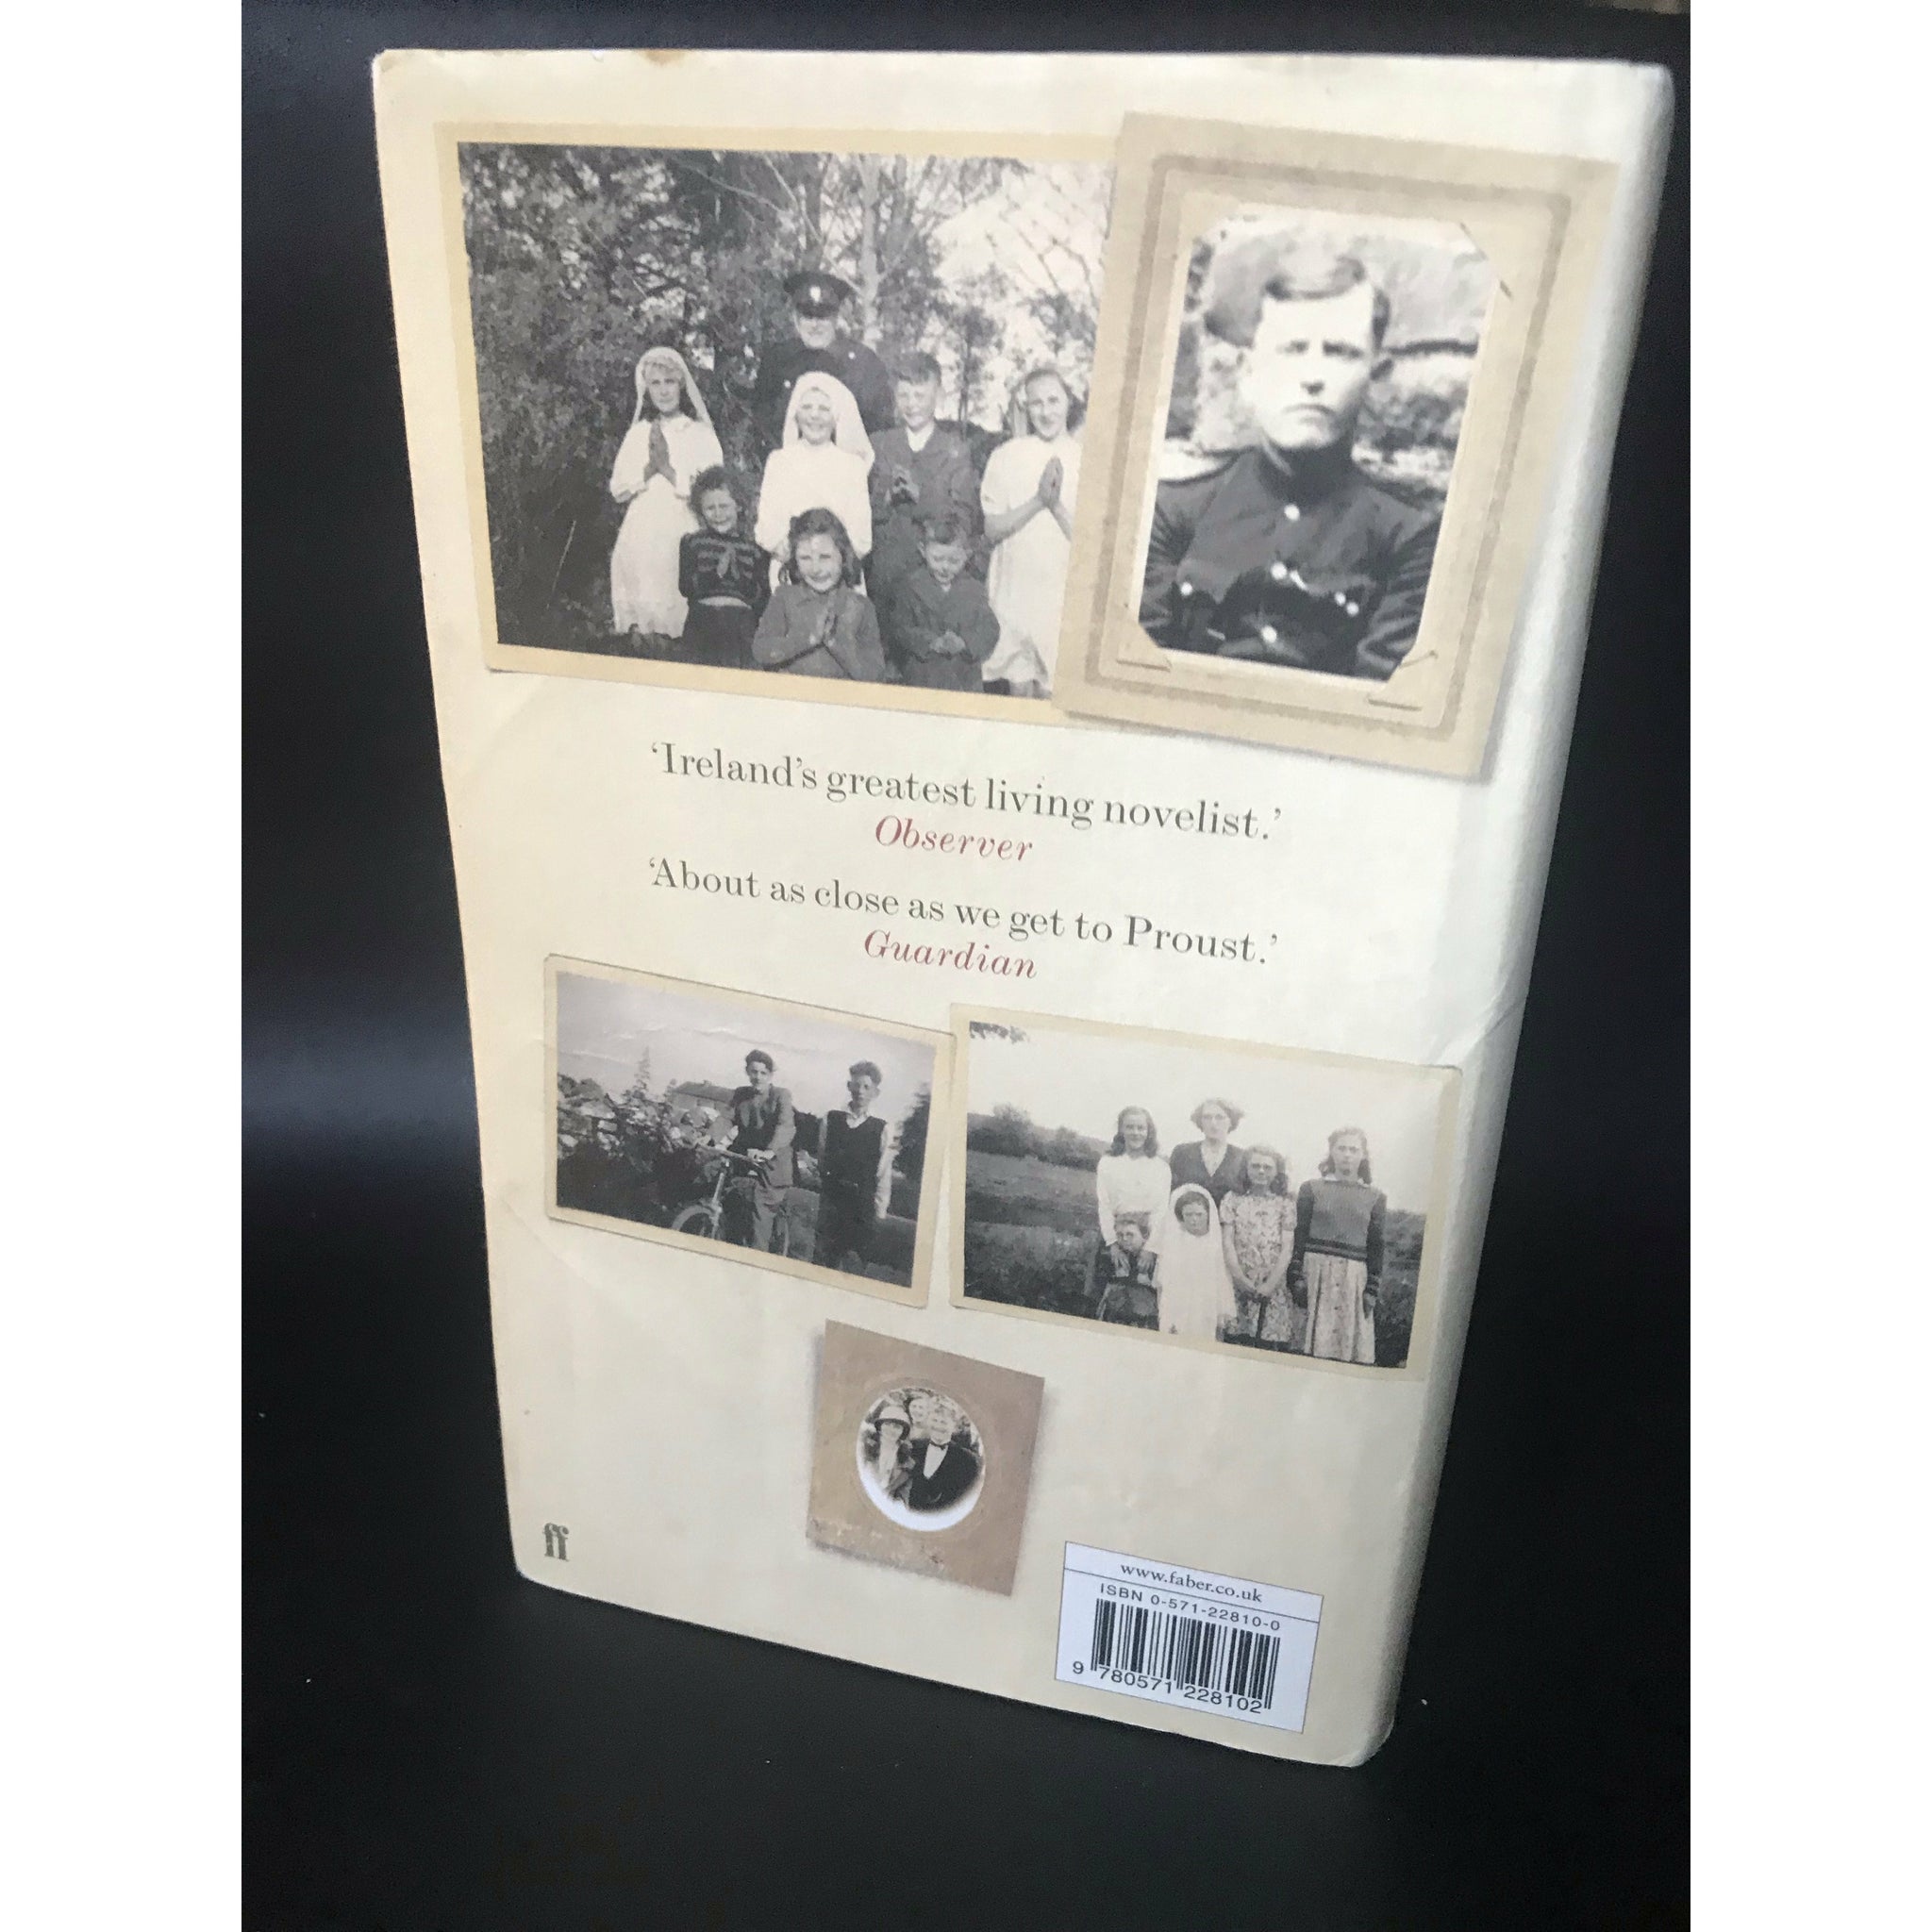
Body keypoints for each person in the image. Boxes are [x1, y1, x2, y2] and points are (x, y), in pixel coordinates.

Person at [1139, 242, 1439, 678]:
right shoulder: (1175, 514)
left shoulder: (1407, 540)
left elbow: (1380, 698)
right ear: (1249, 373)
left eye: (1340, 352)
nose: (1312, 377)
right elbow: (1142, 677)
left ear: (1375, 376)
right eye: (1292, 349)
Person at [608, 346, 724, 643]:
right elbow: (618, 489)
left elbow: (713, 490)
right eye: (655, 383)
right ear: (647, 389)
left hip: (681, 527)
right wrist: (648, 470)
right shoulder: (639, 433)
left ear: (681, 385)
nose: (663, 391)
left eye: (669, 382)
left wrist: (670, 471)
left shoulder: (699, 434)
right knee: (641, 620)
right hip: (641, 529)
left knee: (676, 609)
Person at [979, 366, 1082, 697]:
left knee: (1053, 698)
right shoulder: (1006, 456)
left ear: (1069, 401)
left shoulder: (1085, 459)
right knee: (1018, 696)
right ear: (1026, 406)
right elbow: (992, 529)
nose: (1046, 412)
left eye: (1053, 401)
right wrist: (1038, 501)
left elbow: (1091, 546)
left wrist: (1056, 506)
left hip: (1059, 600)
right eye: (1036, 403)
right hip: (1014, 597)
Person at [744, 268, 896, 455]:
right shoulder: (777, 361)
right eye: (808, 316)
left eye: (823, 317)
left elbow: (880, 431)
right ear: (796, 318)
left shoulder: (864, 363)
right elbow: (762, 427)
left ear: (836, 318)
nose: (815, 325)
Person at [866, 353, 979, 600]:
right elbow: (861, 511)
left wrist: (922, 496)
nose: (911, 404)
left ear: (939, 396)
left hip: (933, 580)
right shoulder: (879, 445)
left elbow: (965, 519)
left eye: (920, 396)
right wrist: (887, 497)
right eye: (904, 395)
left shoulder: (955, 451)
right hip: (885, 577)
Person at [753, 373, 874, 583]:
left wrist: (830, 563)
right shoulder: (779, 461)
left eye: (824, 409)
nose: (814, 416)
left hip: (840, 574)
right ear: (795, 413)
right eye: (807, 407)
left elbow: (860, 535)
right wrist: (800, 562)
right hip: (789, 573)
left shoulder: (853, 465)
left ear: (836, 416)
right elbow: (768, 526)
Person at [751, 508, 888, 682]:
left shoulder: (861, 606)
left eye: (825, 557)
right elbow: (761, 651)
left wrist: (837, 645)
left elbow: (875, 675)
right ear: (794, 560)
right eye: (805, 558)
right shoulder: (784, 598)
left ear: (843, 556)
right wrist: (806, 639)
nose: (815, 569)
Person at [1289, 1126, 1387, 1365]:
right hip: (1316, 1274)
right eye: (1341, 1148)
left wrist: (1371, 1289)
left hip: (1353, 1279)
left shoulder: (1375, 1196)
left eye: (1354, 1150)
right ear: (1331, 1152)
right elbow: (1299, 1234)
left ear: (1363, 1155)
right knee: (1307, 1350)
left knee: (1346, 1351)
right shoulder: (1311, 1189)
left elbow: (1376, 1244)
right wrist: (1296, 1276)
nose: (1347, 1155)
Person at [878, 513, 1000, 691]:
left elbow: (989, 629)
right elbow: (900, 627)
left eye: (954, 561)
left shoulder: (974, 590)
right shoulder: (910, 587)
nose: (945, 567)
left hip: (963, 678)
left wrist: (965, 643)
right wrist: (931, 642)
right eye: (937, 559)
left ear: (967, 555)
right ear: (923, 551)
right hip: (923, 676)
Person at [675, 465, 768, 670]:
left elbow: (762, 599)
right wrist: (716, 574)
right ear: (700, 510)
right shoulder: (692, 543)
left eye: (724, 506)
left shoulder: (754, 549)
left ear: (739, 506)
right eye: (710, 508)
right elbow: (687, 588)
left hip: (741, 627)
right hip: (702, 623)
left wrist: (738, 577)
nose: (718, 514)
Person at [813, 1061, 897, 1274]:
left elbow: (883, 1173)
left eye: (867, 1087)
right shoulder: (831, 1119)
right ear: (849, 1086)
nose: (860, 1091)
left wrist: (880, 1210)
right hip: (832, 1202)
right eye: (856, 1085)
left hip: (862, 1206)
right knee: (823, 1261)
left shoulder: (882, 1128)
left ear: (875, 1092)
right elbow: (822, 1158)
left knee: (853, 1265)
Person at [1221, 1144, 1298, 1347]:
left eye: (1267, 1167)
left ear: (1277, 1172)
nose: (1261, 1171)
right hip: (1239, 1281)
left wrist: (1270, 1284)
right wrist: (1239, 1278)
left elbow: (1287, 1248)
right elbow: (1227, 1242)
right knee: (1236, 1341)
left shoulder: (1285, 1203)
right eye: (1255, 1166)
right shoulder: (1232, 1199)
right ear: (1245, 1169)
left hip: (1272, 1284)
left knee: (1267, 1345)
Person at [725, 1049, 795, 1254]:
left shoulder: (781, 1095)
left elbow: (785, 1126)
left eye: (763, 1073)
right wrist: (709, 1136)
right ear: (747, 1072)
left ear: (771, 1075)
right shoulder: (741, 1094)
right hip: (745, 1155)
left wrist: (769, 1151)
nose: (758, 1077)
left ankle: (758, 1257)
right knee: (720, 1183)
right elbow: (725, 1118)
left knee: (761, 1212)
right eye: (754, 1072)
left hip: (773, 1162)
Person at [1151, 1184, 1237, 1342]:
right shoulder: (1174, 1243)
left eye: (1199, 1214)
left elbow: (1221, 1282)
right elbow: (1163, 1281)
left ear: (1208, 1215)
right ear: (1181, 1216)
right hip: (1178, 1304)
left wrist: (1221, 1316)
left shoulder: (1214, 1245)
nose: (1194, 1219)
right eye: (1188, 1214)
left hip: (1204, 1305)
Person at [1092, 1106, 1173, 1241]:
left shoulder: (1161, 1167)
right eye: (1129, 1127)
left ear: (1149, 1132)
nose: (1135, 1133)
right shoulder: (1107, 1163)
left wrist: (1151, 1246)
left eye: (1141, 1128)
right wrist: (1112, 1242)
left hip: (1148, 1238)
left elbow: (1160, 1212)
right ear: (1121, 1130)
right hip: (1116, 1235)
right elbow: (1104, 1206)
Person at [901, 1393, 981, 1513]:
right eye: (934, 1420)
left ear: (955, 1426)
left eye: (943, 1422)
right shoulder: (914, 1448)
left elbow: (964, 1501)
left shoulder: (967, 1460)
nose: (938, 1426)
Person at [1169, 1098, 1247, 1208]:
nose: (1213, 1123)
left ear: (1231, 1122)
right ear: (1200, 1121)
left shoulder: (1242, 1157)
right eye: (1207, 1117)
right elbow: (1171, 1194)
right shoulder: (1182, 1153)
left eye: (1220, 1117)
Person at [1089, 1210, 1159, 1329]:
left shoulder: (1155, 1260)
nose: (1125, 1239)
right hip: (1115, 1314)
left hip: (1144, 1316)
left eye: (1130, 1234)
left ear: (1144, 1236)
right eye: (1120, 1235)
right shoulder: (1112, 1256)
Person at [865, 1396, 915, 1505]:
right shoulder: (865, 1449)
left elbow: (903, 1496)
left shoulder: (907, 1463)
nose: (891, 1430)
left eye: (897, 1427)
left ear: (903, 1432)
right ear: (880, 1427)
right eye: (887, 1424)